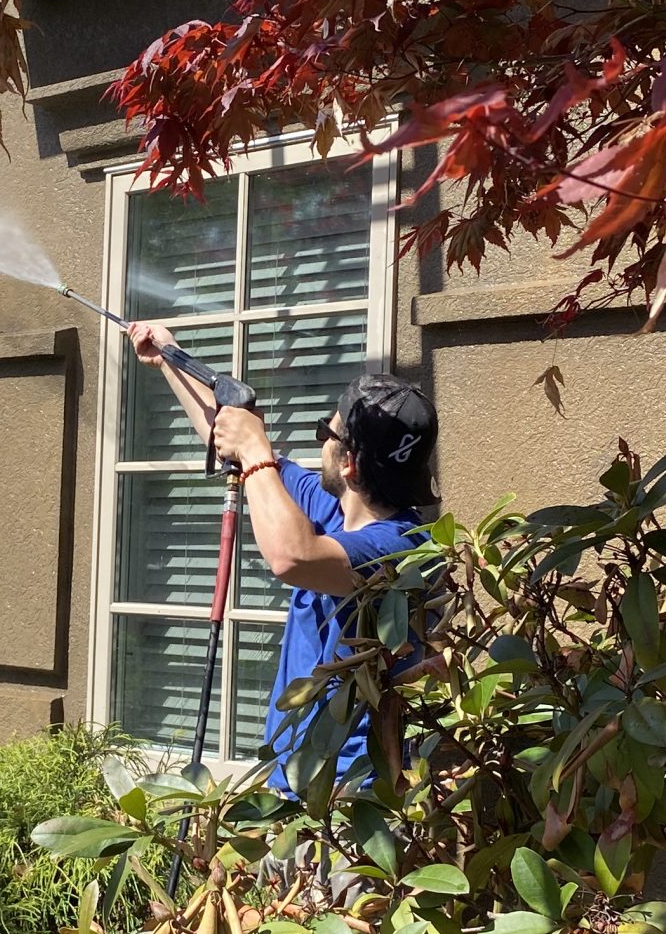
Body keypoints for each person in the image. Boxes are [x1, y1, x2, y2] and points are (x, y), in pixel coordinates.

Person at [127, 324, 439, 786]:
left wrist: (257, 449)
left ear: (349, 462)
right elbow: (234, 449)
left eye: (325, 433)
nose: (320, 445)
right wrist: (172, 358)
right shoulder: (335, 509)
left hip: (351, 796)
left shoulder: (401, 548)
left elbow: (291, 557)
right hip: (297, 779)